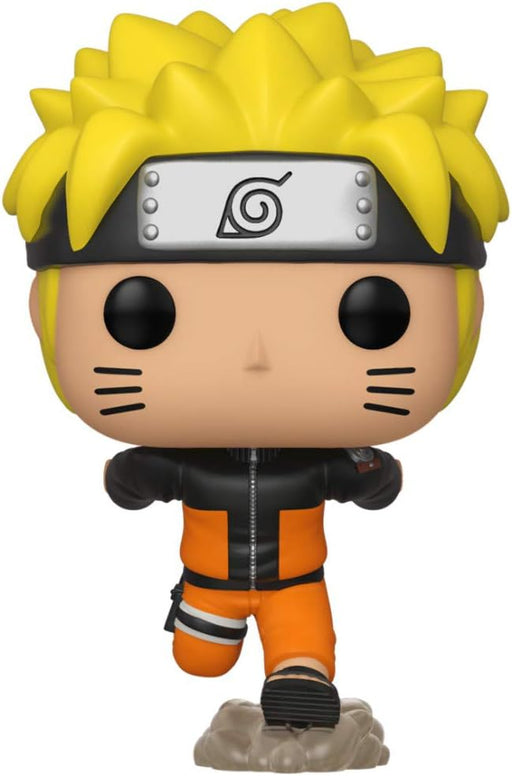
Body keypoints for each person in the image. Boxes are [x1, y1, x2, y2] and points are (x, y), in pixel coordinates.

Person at [4, 3, 507, 729]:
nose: (256, 356)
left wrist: (373, 475)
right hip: (206, 578)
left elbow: (367, 479)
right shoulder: (192, 461)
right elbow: (144, 477)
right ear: (41, 312)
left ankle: (300, 677)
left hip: (299, 579)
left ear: (470, 312)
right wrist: (134, 476)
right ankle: (224, 634)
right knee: (198, 658)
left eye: (373, 314)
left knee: (302, 638)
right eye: (142, 314)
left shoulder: (320, 461)